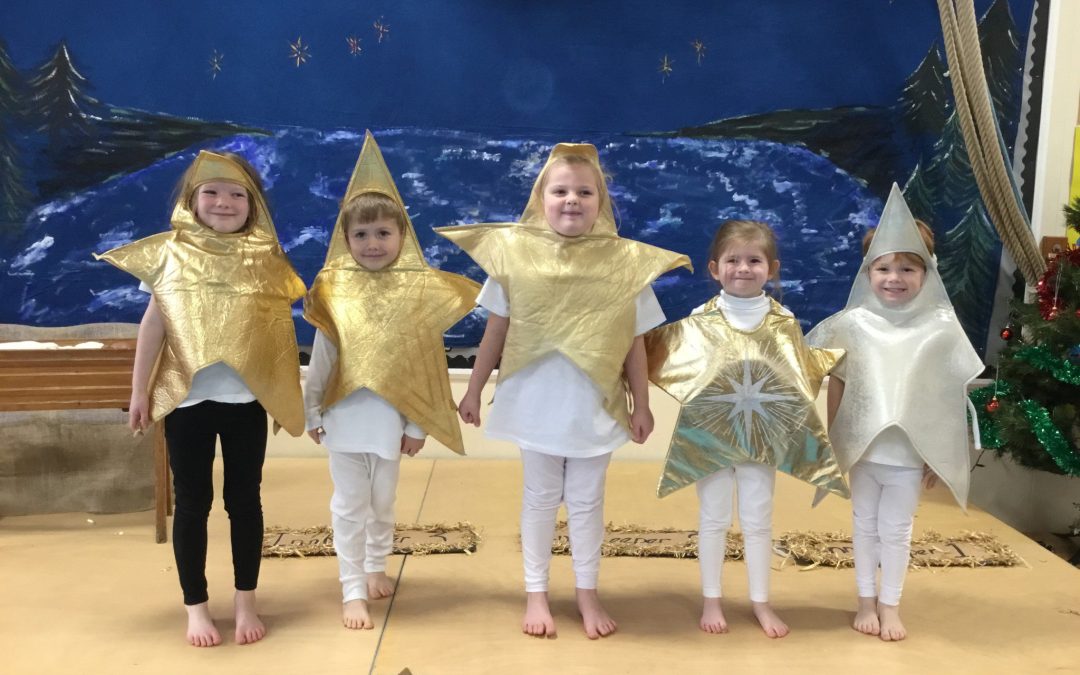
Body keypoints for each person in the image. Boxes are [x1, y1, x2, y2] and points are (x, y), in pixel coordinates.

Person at [437, 143, 690, 639]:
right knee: (539, 497)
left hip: (593, 405)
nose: (571, 199)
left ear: (601, 203)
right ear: (541, 199)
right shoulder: (515, 257)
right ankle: (536, 592)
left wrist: (642, 403)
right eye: (560, 191)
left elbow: (635, 343)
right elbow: (496, 331)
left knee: (587, 501)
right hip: (536, 403)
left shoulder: (626, 264)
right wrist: (473, 390)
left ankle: (586, 591)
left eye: (584, 192)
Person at [96, 150, 306, 647]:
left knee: (244, 500)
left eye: (237, 194)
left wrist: (283, 392)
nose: (224, 202)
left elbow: (277, 330)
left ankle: (246, 600)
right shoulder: (171, 253)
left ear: (254, 205)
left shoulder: (264, 257)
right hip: (187, 402)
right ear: (191, 200)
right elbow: (154, 323)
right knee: (192, 503)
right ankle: (196, 607)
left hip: (244, 402)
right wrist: (139, 390)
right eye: (211, 192)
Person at [303, 132, 478, 630]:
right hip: (343, 419)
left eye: (383, 232)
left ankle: (376, 564)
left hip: (389, 423)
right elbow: (322, 358)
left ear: (402, 236)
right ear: (346, 240)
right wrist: (311, 411)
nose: (373, 243)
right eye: (361, 235)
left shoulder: (415, 295)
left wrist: (418, 424)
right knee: (350, 504)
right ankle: (352, 589)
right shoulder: (333, 292)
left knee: (382, 501)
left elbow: (423, 363)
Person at [645, 219, 845, 638]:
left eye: (754, 260)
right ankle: (712, 598)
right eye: (733, 260)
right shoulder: (700, 319)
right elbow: (679, 368)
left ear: (771, 269)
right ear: (714, 268)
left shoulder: (784, 321)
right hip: (710, 440)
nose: (743, 268)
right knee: (713, 517)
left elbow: (795, 382)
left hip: (763, 441)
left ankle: (760, 601)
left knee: (758, 519)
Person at [808, 185, 983, 641]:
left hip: (906, 454)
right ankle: (865, 600)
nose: (894, 278)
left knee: (897, 530)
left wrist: (940, 450)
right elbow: (838, 381)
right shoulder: (853, 325)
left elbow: (947, 391)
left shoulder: (939, 329)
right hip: (864, 449)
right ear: (868, 272)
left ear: (928, 272)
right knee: (864, 525)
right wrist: (836, 440)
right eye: (883, 268)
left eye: (908, 268)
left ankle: (890, 605)